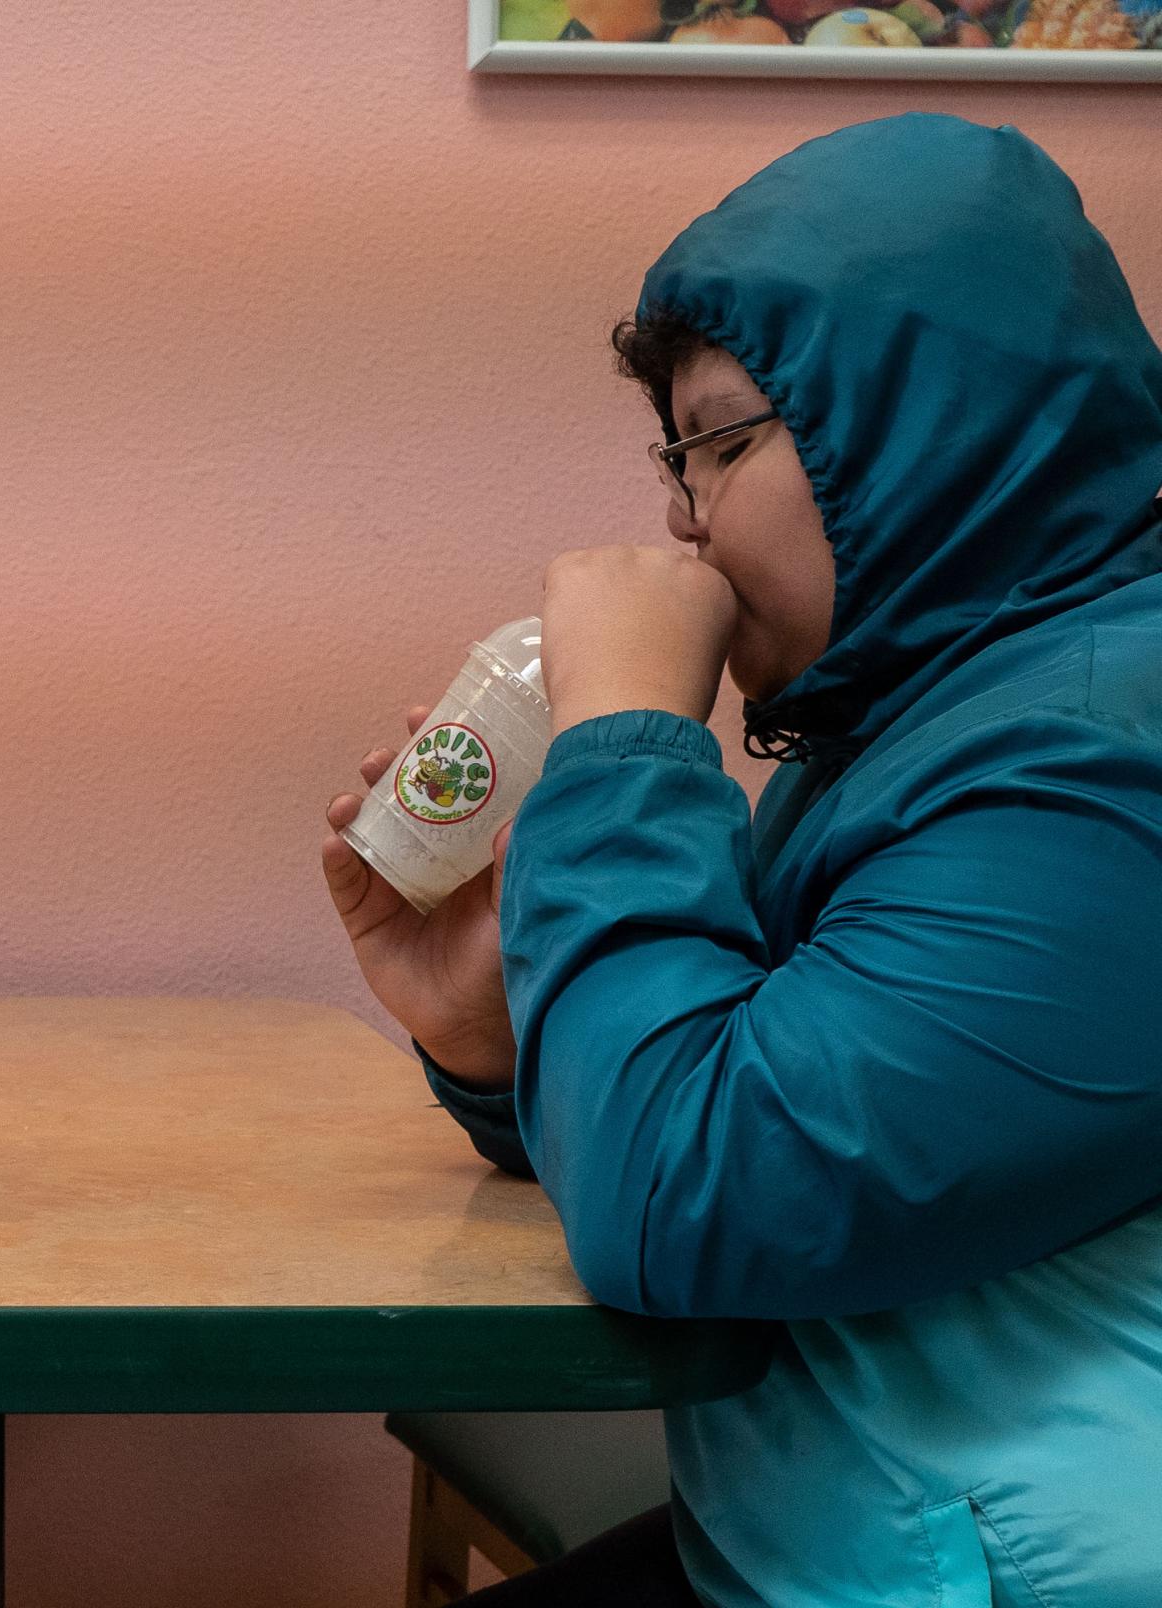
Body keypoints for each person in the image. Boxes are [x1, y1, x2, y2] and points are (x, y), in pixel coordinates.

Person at [323, 114, 1162, 1606]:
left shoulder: (1097, 777)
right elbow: (721, 1107)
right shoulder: (924, 719)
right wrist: (499, 1048)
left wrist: (632, 735)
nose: (678, 509)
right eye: (675, 454)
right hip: (840, 1546)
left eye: (720, 440)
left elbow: (689, 1201)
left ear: (920, 425)